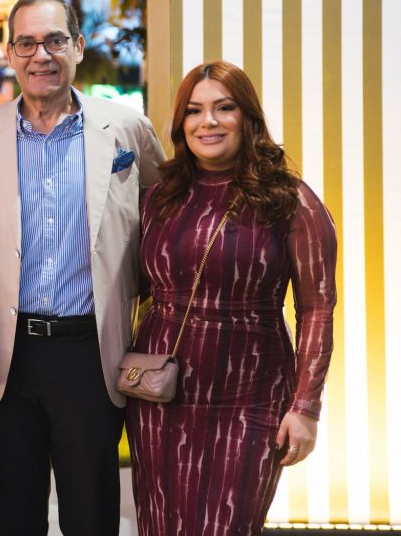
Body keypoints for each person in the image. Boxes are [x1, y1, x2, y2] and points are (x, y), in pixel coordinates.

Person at [0, 0, 165, 534]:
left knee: (91, 518)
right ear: (10, 53)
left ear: (78, 46)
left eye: (54, 41)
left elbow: (167, 219)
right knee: (11, 520)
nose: (40, 55)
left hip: (90, 356)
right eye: (26, 43)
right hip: (5, 359)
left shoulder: (127, 128)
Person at [126, 61, 336, 535]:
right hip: (159, 394)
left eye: (224, 108)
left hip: (251, 394)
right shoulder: (158, 199)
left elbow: (317, 309)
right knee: (161, 524)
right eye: (194, 110)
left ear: (248, 117)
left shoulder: (290, 200)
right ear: (181, 123)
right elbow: (127, 288)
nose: (208, 122)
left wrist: (305, 408)